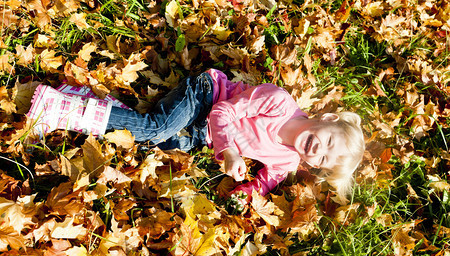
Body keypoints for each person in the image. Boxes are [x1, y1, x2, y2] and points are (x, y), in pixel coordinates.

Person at [26, 69, 365, 203]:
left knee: (151, 139)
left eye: (323, 161)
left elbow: (268, 180)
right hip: (206, 97)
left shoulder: (289, 160)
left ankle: (85, 99)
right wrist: (230, 153)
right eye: (329, 141)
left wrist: (246, 193)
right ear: (328, 118)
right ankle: (56, 108)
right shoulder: (278, 102)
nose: (319, 151)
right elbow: (224, 113)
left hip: (203, 135)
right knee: (157, 127)